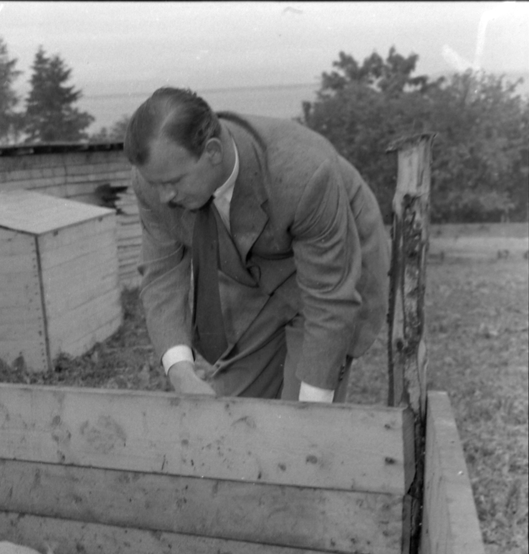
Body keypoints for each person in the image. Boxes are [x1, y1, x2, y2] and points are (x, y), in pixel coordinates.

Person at [125, 87, 389, 402]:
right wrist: (181, 373)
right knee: (235, 412)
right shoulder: (154, 180)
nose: (164, 197)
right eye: (156, 184)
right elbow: (161, 276)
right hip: (254, 276)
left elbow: (329, 299)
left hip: (333, 266)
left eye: (173, 183)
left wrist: (310, 419)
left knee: (299, 419)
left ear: (212, 152)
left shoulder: (303, 173)